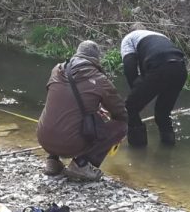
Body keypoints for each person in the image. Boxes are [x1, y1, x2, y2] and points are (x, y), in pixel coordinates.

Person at [36, 41, 127, 182]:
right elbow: (120, 113)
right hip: (69, 144)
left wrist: (93, 109)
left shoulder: (56, 70)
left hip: (44, 138)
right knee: (121, 126)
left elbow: (66, 99)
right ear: (96, 59)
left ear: (77, 54)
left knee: (57, 110)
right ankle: (81, 164)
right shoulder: (99, 79)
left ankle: (52, 161)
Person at [120, 28, 187, 146]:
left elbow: (129, 66)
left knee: (130, 107)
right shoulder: (160, 36)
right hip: (180, 69)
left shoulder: (128, 39)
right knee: (162, 113)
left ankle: (138, 151)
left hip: (159, 67)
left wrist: (135, 94)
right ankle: (168, 148)